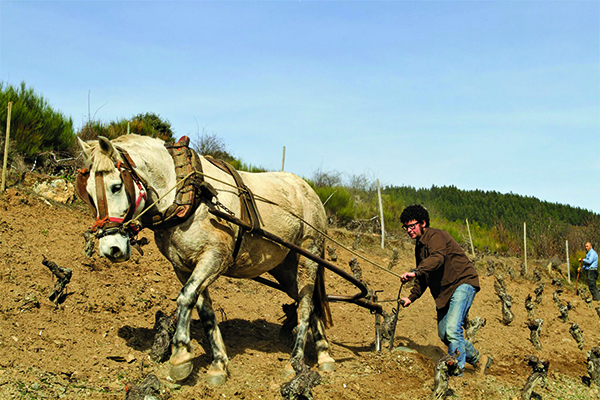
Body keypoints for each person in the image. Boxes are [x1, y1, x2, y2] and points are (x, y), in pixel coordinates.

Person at [398, 204, 491, 376]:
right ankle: (478, 359)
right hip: (444, 292)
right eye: (406, 227)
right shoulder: (419, 247)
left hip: (462, 282)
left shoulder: (436, 236)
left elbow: (437, 259)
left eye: (412, 225)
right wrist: (411, 297)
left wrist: (415, 271)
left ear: (423, 223)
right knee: (444, 334)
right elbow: (423, 276)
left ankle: (457, 374)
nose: (409, 230)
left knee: (452, 330)